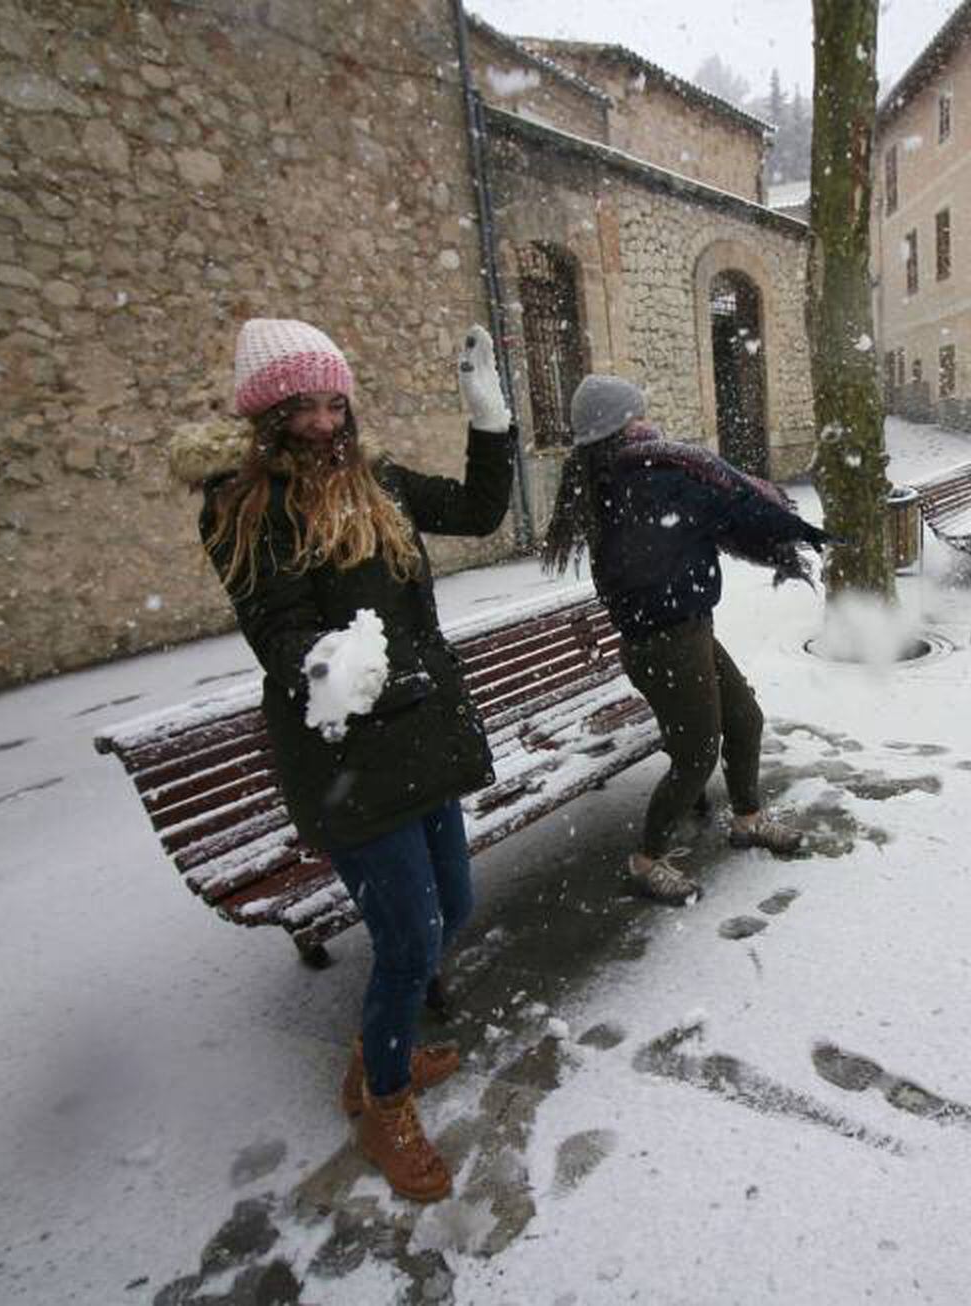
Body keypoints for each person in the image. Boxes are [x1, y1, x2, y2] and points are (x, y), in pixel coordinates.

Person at [176, 317, 516, 1203]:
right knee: (409, 942)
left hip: (418, 737)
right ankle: (385, 1109)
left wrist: (489, 421)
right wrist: (327, 668)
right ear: (267, 416)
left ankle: (374, 1063)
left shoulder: (378, 484)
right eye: (303, 407)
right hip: (345, 756)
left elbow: (481, 514)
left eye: (336, 402)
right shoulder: (244, 506)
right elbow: (279, 629)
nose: (327, 422)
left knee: (452, 905)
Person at [539, 374, 829, 904]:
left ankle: (746, 818)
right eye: (637, 416)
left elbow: (712, 511)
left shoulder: (631, 475)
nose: (647, 422)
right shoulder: (647, 477)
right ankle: (646, 859)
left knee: (746, 720)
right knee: (696, 754)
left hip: (685, 632)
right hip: (663, 644)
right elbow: (731, 506)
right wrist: (796, 531)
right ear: (618, 428)